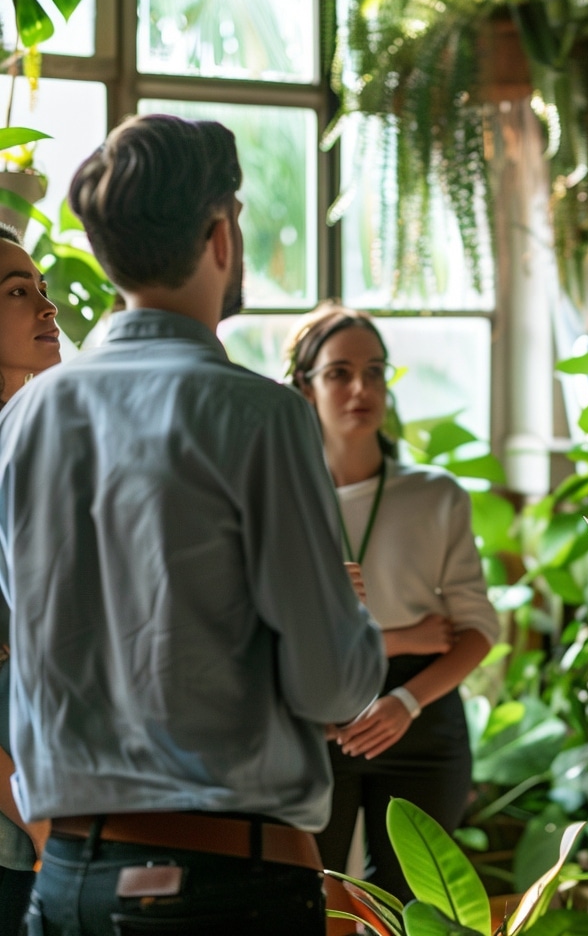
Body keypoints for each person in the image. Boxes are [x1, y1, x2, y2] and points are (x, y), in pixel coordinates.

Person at [0, 114, 387, 936]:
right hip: (229, 882)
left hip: (68, 882)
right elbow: (331, 683)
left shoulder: (26, 418)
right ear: (220, 235)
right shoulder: (265, 416)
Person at [286, 303, 499, 901]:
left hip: (424, 716)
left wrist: (405, 701)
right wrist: (402, 635)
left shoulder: (435, 494)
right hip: (319, 711)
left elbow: (477, 626)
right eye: (339, 373)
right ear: (304, 388)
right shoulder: (283, 500)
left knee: (418, 908)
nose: (361, 388)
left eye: (375, 371)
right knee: (317, 899)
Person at [0, 222, 61, 935]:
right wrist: (42, 822)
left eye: (43, 289)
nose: (47, 308)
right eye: (20, 292)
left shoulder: (47, 449)